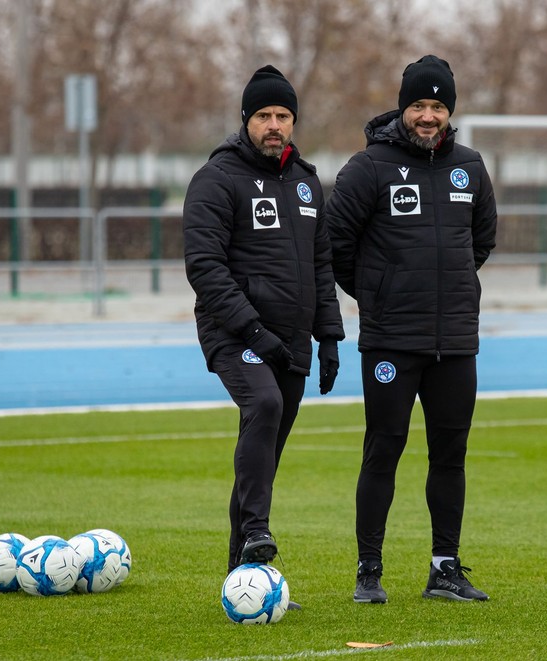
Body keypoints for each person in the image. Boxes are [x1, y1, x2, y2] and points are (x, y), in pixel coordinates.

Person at [325, 55, 497, 604]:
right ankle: (368, 572)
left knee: (451, 455)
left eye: (438, 106)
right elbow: (335, 246)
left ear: (450, 111)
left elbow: (482, 242)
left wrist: (448, 291)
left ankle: (444, 568)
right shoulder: (368, 167)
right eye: (419, 105)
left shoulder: (470, 167)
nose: (429, 116)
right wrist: (378, 295)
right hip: (391, 341)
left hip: (455, 343)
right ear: (403, 108)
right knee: (384, 450)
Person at [183, 65, 345, 592]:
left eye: (283, 116)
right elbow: (204, 267)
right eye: (264, 116)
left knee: (264, 456)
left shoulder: (306, 182)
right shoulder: (217, 178)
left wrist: (330, 339)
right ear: (246, 120)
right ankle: (256, 531)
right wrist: (252, 332)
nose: (274, 125)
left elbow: (322, 266)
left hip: (293, 340)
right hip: (235, 334)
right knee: (265, 406)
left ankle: (243, 578)